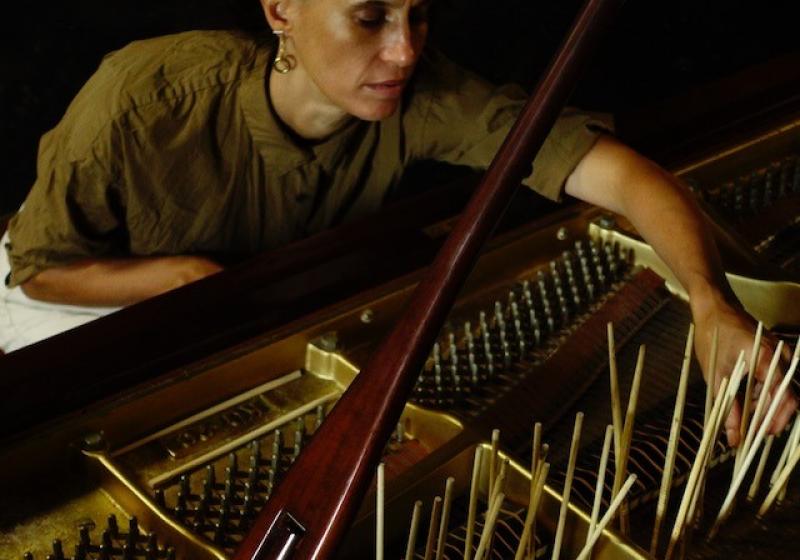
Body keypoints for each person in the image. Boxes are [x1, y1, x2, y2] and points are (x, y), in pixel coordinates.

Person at [1, 0, 795, 444]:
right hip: (77, 301)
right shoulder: (143, 95)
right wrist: (186, 281)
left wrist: (709, 302)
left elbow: (620, 173)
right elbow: (40, 265)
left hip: (251, 305)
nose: (405, 51)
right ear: (281, 9)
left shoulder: (421, 93)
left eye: (418, 16)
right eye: (370, 17)